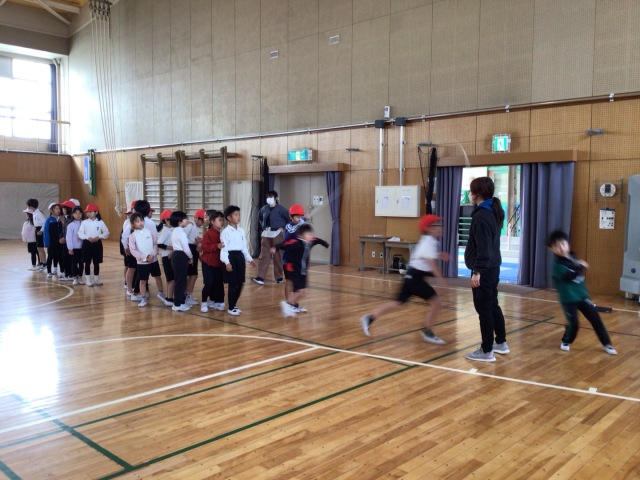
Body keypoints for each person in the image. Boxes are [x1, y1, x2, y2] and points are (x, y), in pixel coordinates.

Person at [359, 215, 448, 344]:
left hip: (411, 276)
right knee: (436, 303)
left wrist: (438, 255)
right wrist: (441, 280)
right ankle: (428, 332)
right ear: (429, 228)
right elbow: (431, 262)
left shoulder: (428, 241)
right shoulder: (429, 242)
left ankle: (369, 318)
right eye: (437, 225)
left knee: (397, 303)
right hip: (415, 278)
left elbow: (425, 256)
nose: (440, 227)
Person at [548, 231, 617, 355]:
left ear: (568, 244)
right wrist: (580, 266)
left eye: (563, 244)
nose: (561, 248)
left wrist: (579, 265)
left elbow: (577, 272)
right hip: (568, 299)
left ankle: (606, 343)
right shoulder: (557, 266)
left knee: (596, 319)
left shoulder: (573, 257)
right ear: (551, 249)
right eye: (556, 246)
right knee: (574, 324)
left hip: (582, 296)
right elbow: (569, 276)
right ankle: (566, 340)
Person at [464, 177, 508, 362]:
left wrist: (477, 272)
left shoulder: (482, 216)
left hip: (484, 270)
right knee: (492, 305)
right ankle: (501, 343)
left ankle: (487, 350)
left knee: (484, 309)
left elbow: (484, 248)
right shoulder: (492, 211)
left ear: (476, 194)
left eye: (470, 191)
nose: (469, 193)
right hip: (492, 268)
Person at [271, 223, 329, 318]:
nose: (310, 236)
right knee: (301, 292)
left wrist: (326, 245)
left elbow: (318, 240)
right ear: (301, 235)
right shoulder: (295, 243)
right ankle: (288, 304)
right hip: (294, 270)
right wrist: (275, 248)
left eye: (310, 234)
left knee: (302, 293)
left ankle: (290, 304)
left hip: (303, 271)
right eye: (308, 234)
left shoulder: (310, 242)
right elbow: (284, 244)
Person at [221, 205, 257, 315]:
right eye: (235, 215)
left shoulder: (241, 231)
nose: (238, 217)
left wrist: (250, 259)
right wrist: (227, 262)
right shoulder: (225, 232)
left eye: (239, 214)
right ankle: (231, 307)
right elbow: (224, 249)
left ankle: (234, 304)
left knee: (240, 283)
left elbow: (244, 248)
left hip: (240, 257)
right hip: (230, 257)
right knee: (233, 283)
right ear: (229, 218)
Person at [252, 191, 290, 285]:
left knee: (278, 256)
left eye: (271, 196)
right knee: (264, 256)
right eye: (268, 196)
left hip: (277, 233)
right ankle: (260, 277)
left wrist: (283, 227)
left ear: (276, 198)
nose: (269, 198)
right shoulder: (264, 208)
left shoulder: (281, 209)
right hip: (266, 233)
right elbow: (260, 217)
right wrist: (263, 226)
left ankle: (279, 277)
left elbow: (289, 219)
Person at [128, 213, 162, 308]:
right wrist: (145, 257)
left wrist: (152, 254)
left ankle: (161, 293)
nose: (140, 223)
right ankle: (143, 298)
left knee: (158, 277)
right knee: (143, 280)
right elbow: (133, 250)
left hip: (153, 260)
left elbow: (155, 244)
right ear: (133, 223)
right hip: (142, 263)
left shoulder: (150, 231)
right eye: (137, 221)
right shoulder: (132, 236)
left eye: (142, 220)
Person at [282, 205, 307, 312]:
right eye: (297, 217)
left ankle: (294, 303)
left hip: (297, 260)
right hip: (288, 259)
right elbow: (291, 232)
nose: (299, 219)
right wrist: (304, 220)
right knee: (289, 281)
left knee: (296, 282)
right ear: (291, 217)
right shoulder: (289, 226)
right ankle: (288, 303)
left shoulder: (300, 228)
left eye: (301, 217)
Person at [200, 210, 226, 313]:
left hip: (219, 263)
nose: (222, 222)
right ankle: (204, 302)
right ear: (212, 222)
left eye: (222, 220)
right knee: (209, 283)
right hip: (208, 264)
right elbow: (204, 248)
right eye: (219, 220)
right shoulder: (208, 234)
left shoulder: (223, 233)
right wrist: (216, 246)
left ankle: (218, 301)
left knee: (219, 284)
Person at [78, 204, 109, 287]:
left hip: (97, 244)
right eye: (87, 212)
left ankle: (96, 280)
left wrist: (99, 236)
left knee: (96, 262)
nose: (88, 213)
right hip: (87, 244)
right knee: (87, 262)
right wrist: (87, 237)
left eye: (90, 212)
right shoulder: (84, 222)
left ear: (96, 212)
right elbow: (80, 233)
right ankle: (88, 280)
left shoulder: (100, 222)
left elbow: (106, 233)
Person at [170, 210, 193, 312]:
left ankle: (181, 302)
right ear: (179, 222)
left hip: (177, 255)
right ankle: (177, 304)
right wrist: (191, 257)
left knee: (180, 280)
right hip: (180, 255)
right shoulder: (181, 233)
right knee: (180, 281)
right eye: (185, 219)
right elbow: (186, 248)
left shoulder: (176, 231)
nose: (186, 220)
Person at [184, 210, 204, 305]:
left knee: (192, 274)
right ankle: (187, 296)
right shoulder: (190, 225)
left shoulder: (195, 227)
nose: (202, 222)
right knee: (193, 275)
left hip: (193, 250)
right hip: (189, 250)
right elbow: (183, 238)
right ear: (196, 218)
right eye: (201, 220)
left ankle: (187, 294)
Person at [157, 209, 175, 307]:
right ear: (167, 221)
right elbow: (159, 243)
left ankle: (169, 297)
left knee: (171, 278)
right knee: (171, 279)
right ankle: (169, 298)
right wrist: (172, 248)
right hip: (166, 257)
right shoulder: (165, 231)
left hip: (171, 256)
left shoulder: (172, 229)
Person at [122, 201, 139, 297]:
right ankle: (129, 287)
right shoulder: (128, 222)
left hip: (140, 251)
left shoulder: (143, 223)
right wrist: (126, 247)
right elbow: (124, 236)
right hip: (131, 250)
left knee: (138, 269)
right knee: (131, 268)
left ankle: (136, 286)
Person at [65, 206, 85, 285]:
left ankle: (80, 277)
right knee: (74, 263)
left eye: (79, 213)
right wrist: (70, 248)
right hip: (74, 247)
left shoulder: (84, 223)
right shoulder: (71, 225)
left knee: (81, 263)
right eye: (76, 213)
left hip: (83, 247)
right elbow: (69, 237)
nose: (78, 215)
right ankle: (75, 278)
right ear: (72, 214)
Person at [26, 198, 46, 271]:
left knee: (41, 248)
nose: (28, 208)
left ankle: (44, 263)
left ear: (31, 206)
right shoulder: (34, 213)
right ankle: (40, 263)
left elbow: (44, 223)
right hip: (37, 230)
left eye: (28, 206)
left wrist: (41, 230)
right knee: (38, 248)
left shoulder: (39, 214)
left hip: (40, 230)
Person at [43, 203, 62, 278]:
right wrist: (46, 243)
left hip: (60, 242)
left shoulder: (61, 219)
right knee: (50, 256)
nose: (58, 210)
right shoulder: (48, 220)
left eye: (58, 208)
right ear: (51, 210)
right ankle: (49, 271)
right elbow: (46, 232)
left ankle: (58, 270)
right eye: (56, 209)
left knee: (59, 256)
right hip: (51, 242)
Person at [58, 200, 75, 281]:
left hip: (70, 242)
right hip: (65, 242)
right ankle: (67, 273)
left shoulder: (72, 219)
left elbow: (72, 232)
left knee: (70, 259)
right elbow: (64, 230)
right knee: (64, 257)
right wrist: (61, 237)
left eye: (64, 208)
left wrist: (65, 239)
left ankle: (70, 274)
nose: (62, 210)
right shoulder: (65, 218)